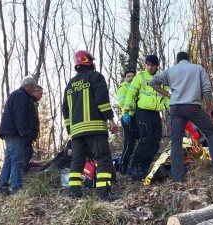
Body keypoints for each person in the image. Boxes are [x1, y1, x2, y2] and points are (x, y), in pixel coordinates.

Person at [149, 51, 213, 182]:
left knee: (176, 142)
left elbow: (152, 82)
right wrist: (207, 109)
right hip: (193, 107)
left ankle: (177, 176)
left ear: (177, 60)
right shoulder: (197, 68)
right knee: (211, 134)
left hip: (176, 108)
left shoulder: (170, 71)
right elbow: (207, 89)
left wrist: (167, 94)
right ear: (188, 59)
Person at [62, 50, 119, 201]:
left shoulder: (70, 84)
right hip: (95, 128)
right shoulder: (96, 77)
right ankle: (104, 194)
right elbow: (102, 100)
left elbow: (65, 111)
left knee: (77, 161)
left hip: (77, 133)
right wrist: (111, 120)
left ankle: (74, 193)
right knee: (103, 158)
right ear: (89, 62)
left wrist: (71, 130)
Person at [123, 55, 170, 179]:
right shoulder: (140, 77)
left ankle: (144, 168)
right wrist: (126, 111)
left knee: (155, 142)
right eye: (147, 65)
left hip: (156, 113)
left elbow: (166, 97)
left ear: (156, 66)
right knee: (145, 139)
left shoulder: (162, 78)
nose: (149, 67)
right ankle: (133, 166)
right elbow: (131, 93)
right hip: (143, 112)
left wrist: (171, 112)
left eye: (152, 65)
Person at [0, 76, 36, 196]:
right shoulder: (21, 96)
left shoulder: (16, 94)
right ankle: (16, 187)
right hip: (15, 133)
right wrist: (24, 132)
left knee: (9, 159)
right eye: (33, 88)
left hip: (9, 133)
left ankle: (2, 187)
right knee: (17, 160)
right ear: (28, 86)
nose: (33, 90)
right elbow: (20, 116)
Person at [116, 68, 138, 174]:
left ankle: (134, 165)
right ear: (125, 78)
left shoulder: (138, 86)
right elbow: (123, 103)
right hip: (127, 117)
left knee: (140, 142)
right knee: (129, 143)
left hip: (138, 117)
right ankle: (122, 167)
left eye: (132, 76)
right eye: (128, 76)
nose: (130, 78)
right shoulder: (122, 88)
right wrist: (138, 106)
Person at [23, 84, 43, 173]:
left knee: (28, 152)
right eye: (40, 93)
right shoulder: (28, 101)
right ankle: (22, 172)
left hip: (29, 134)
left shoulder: (33, 102)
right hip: (26, 133)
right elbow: (29, 119)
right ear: (35, 92)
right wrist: (28, 133)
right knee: (26, 153)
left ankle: (23, 172)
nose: (41, 96)